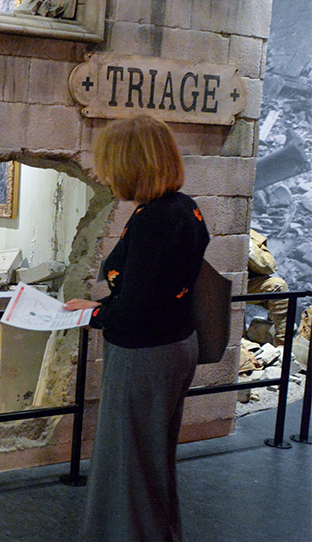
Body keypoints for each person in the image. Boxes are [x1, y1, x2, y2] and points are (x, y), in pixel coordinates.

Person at [63, 115, 209, 542]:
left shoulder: (153, 221)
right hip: (173, 345)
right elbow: (153, 289)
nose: (105, 174)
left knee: (127, 465)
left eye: (109, 163)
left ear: (131, 164)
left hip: (145, 354)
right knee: (150, 461)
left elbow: (138, 309)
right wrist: (104, 304)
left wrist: (91, 315)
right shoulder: (183, 207)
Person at [247, 229, 288, 345]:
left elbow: (270, 267)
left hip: (243, 284)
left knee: (278, 286)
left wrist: (249, 247)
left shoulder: (249, 235)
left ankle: (282, 345)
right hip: (210, 286)